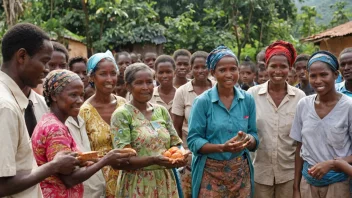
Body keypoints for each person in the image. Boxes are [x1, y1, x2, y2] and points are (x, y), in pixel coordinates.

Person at [0, 23, 79, 198]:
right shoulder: (5, 106)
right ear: (21, 56)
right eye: (44, 61)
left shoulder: (12, 99)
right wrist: (54, 166)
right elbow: (2, 186)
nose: (47, 70)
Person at [187, 46, 259, 197]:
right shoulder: (203, 102)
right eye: (222, 70)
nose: (229, 74)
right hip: (210, 173)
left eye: (233, 69)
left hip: (240, 174)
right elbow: (194, 141)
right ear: (212, 73)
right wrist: (222, 147)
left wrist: (248, 139)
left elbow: (253, 135)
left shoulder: (247, 100)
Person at [111, 63, 189, 197]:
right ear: (128, 86)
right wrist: (153, 160)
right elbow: (122, 160)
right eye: (139, 83)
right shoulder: (122, 115)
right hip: (137, 183)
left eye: (149, 82)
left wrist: (180, 155)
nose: (145, 87)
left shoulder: (161, 111)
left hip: (165, 181)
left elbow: (175, 143)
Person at [247, 41, 306, 198]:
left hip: (289, 174)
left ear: (289, 68)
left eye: (283, 66)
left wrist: (297, 185)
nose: (278, 71)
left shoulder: (300, 97)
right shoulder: (251, 94)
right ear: (266, 67)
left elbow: (302, 140)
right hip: (259, 173)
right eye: (273, 66)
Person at [290, 51, 352, 198]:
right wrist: (296, 188)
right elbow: (300, 147)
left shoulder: (348, 106)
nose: (318, 80)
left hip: (338, 185)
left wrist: (332, 164)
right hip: (308, 184)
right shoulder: (303, 104)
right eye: (313, 76)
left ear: (336, 75)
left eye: (324, 75)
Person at [79, 50, 127, 198]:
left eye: (113, 73)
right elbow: (82, 153)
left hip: (127, 178)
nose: (109, 79)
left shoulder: (124, 105)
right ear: (92, 77)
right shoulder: (84, 112)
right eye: (103, 74)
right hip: (98, 182)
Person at [172, 50, 214, 198]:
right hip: (190, 155)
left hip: (215, 152)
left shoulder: (218, 88)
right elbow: (176, 126)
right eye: (196, 67)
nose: (200, 71)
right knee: (189, 193)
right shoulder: (182, 92)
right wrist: (181, 152)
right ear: (191, 68)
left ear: (210, 68)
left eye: (204, 67)